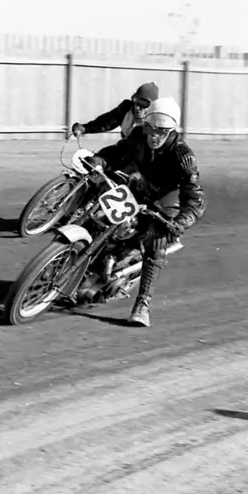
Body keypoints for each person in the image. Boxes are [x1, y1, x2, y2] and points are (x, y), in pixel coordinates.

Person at [91, 96, 205, 328]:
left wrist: (181, 221)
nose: (154, 136)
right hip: (141, 189)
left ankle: (142, 305)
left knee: (157, 239)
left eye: (162, 131)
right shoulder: (137, 136)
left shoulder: (184, 157)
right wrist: (100, 160)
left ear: (173, 131)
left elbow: (196, 198)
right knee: (99, 202)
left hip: (165, 204)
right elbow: (117, 152)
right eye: (151, 128)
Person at [71, 81, 159, 142]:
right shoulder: (126, 109)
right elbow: (106, 123)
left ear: (153, 105)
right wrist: (85, 128)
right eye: (136, 102)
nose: (138, 108)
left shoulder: (157, 120)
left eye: (143, 105)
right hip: (126, 149)